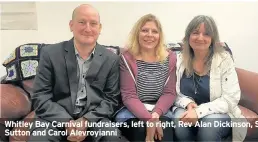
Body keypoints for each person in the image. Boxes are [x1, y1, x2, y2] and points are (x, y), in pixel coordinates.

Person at [29, 4, 127, 142]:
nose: (88, 28)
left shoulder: (111, 59)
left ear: (100, 28)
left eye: (93, 23)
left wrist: (86, 121)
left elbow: (111, 99)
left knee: (113, 138)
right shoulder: (50, 53)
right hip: (53, 118)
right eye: (82, 22)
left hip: (95, 119)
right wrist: (67, 122)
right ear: (71, 25)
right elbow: (40, 96)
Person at [173, 15, 247, 142]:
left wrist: (199, 112)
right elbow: (173, 92)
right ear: (188, 36)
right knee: (180, 124)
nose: (200, 38)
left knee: (209, 126)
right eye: (195, 32)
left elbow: (230, 99)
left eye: (206, 34)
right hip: (187, 108)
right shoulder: (178, 60)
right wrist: (188, 104)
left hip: (219, 112)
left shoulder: (224, 60)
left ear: (212, 39)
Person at [115, 14, 176, 142]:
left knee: (164, 132)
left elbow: (169, 93)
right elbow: (129, 96)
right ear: (137, 33)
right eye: (144, 30)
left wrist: (155, 115)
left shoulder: (170, 58)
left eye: (154, 31)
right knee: (140, 130)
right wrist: (148, 120)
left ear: (160, 36)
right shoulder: (126, 58)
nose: (149, 34)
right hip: (131, 111)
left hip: (160, 111)